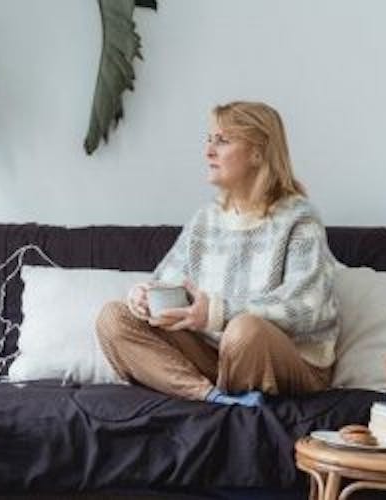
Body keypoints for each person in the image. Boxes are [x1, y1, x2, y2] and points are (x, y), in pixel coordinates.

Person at [95, 101, 339, 407]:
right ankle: (213, 397)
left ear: (258, 153)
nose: (208, 151)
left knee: (244, 330)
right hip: (217, 360)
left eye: (222, 141)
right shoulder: (206, 219)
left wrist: (217, 313)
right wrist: (145, 298)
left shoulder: (300, 219)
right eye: (209, 140)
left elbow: (307, 309)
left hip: (287, 362)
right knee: (113, 317)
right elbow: (168, 284)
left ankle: (222, 394)